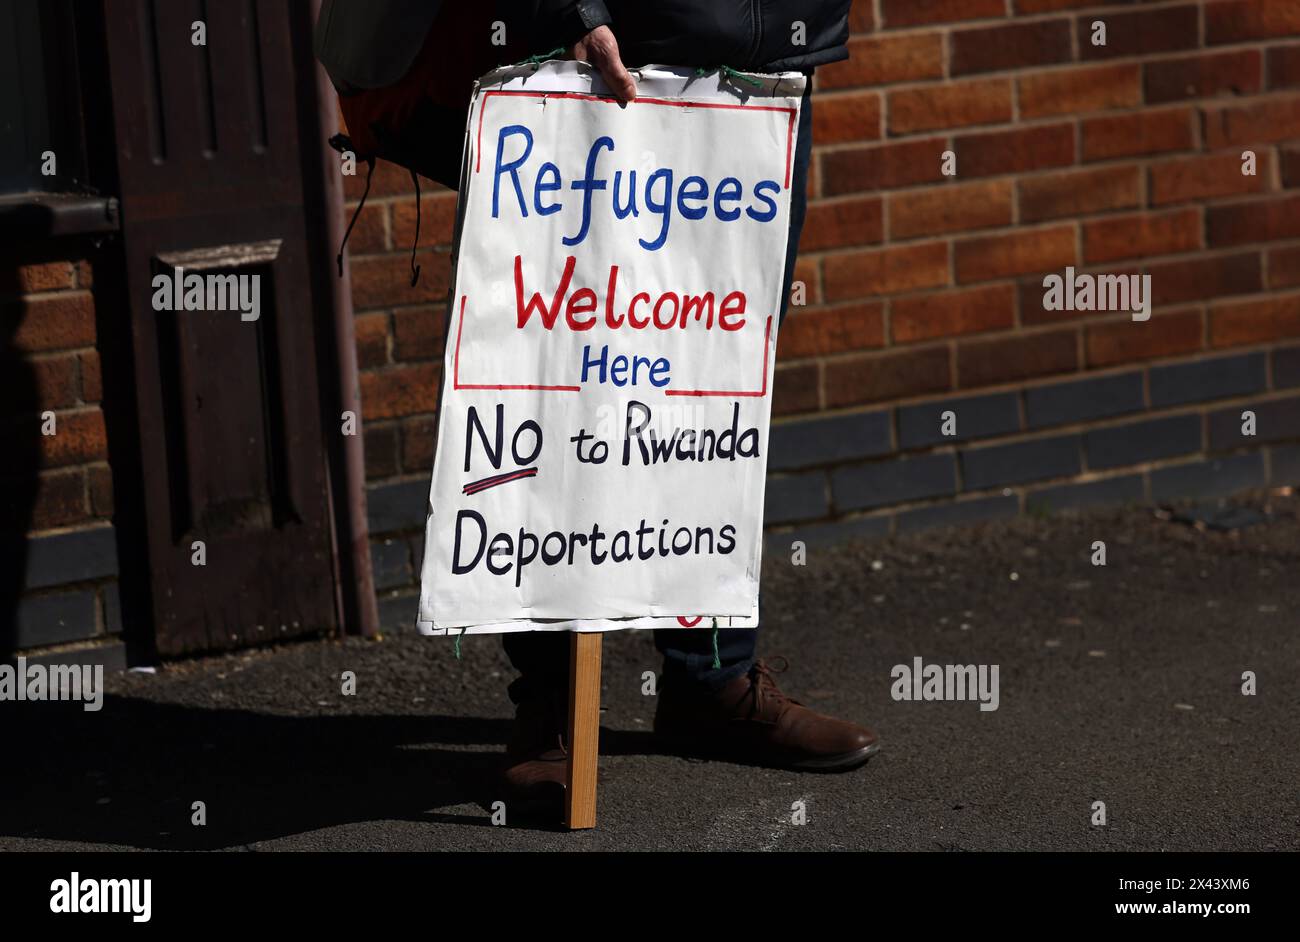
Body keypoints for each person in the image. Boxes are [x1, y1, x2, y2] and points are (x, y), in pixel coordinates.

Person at [314, 0, 878, 816]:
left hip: (767, 52)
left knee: (710, 373)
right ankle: (547, 710)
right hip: (599, 45)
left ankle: (709, 680)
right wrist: (565, 5)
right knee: (559, 372)